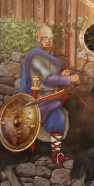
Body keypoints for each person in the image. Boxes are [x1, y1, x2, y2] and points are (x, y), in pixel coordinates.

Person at [18, 24, 79, 164]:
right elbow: (48, 79)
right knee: (59, 118)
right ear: (39, 40)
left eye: (50, 39)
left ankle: (56, 154)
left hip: (50, 97)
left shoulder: (47, 58)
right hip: (38, 100)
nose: (49, 43)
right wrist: (68, 79)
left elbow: (52, 78)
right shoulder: (35, 59)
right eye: (45, 39)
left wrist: (61, 75)